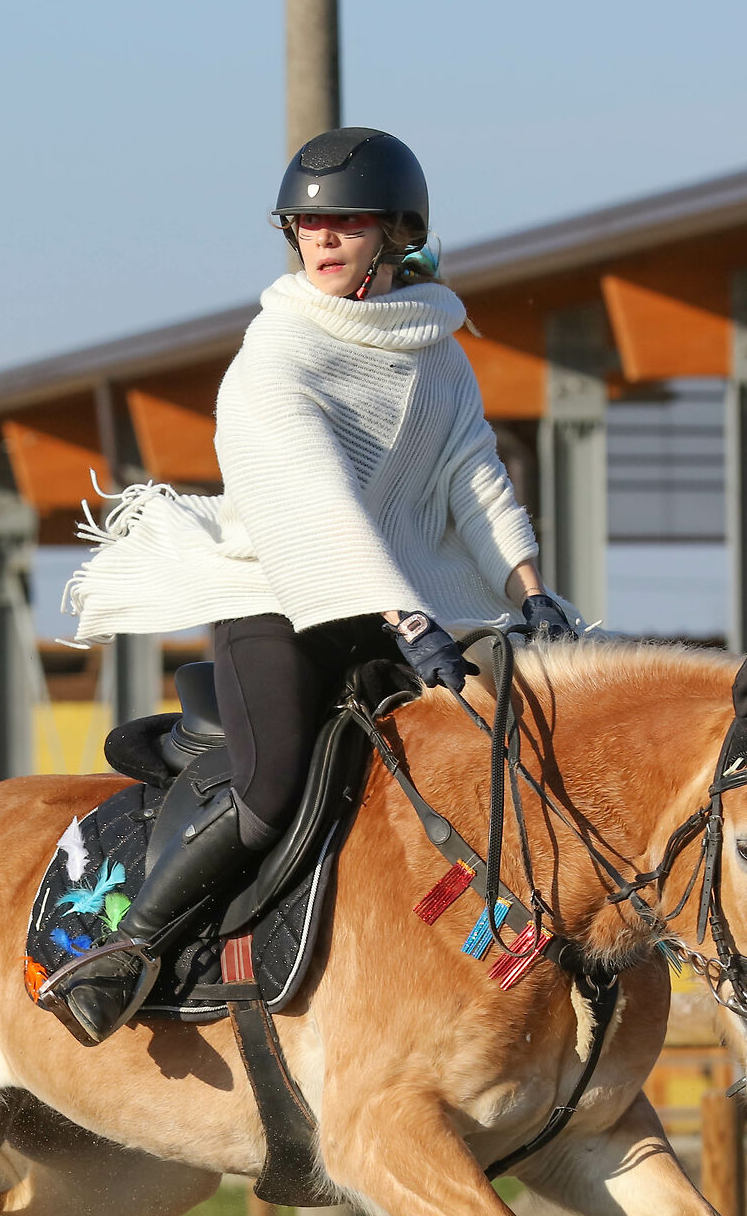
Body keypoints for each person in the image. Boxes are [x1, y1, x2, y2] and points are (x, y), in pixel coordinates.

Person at [53, 126, 582, 1042]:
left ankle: (487, 972)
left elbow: (473, 476)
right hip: (278, 602)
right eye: (308, 224)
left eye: (346, 223)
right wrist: (413, 623)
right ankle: (126, 949)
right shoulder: (275, 359)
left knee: (478, 761)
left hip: (397, 608)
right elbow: (323, 510)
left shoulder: (436, 352)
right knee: (274, 789)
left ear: (396, 233)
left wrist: (530, 588)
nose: (323, 240)